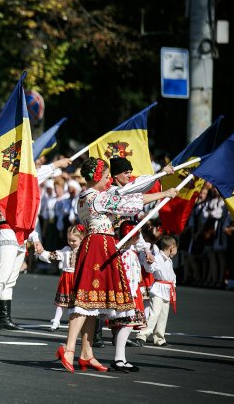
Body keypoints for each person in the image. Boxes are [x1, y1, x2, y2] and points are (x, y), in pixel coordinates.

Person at [55, 157, 176, 373]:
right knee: (85, 302)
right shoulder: (97, 198)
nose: (110, 179)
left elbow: (130, 190)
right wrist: (163, 194)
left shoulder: (85, 196)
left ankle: (86, 353)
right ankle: (69, 348)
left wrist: (160, 177)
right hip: (98, 246)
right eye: (107, 176)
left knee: (93, 304)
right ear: (97, 178)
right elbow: (131, 201)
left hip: (98, 244)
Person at [0, 157, 71, 332]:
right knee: (2, 276)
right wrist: (56, 165)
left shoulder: (23, 187)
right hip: (7, 230)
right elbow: (35, 177)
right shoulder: (7, 184)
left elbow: (28, 215)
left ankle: (3, 318)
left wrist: (35, 238)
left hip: (21, 234)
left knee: (11, 279)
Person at [111, 220, 146, 372]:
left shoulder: (127, 252)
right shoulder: (127, 254)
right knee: (126, 325)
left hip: (132, 292)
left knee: (127, 326)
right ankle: (119, 359)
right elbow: (128, 277)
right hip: (129, 293)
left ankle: (121, 358)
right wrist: (131, 295)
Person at [38, 224, 85, 332]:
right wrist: (43, 253)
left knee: (76, 303)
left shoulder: (84, 251)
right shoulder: (66, 249)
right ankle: (56, 320)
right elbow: (55, 255)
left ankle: (74, 323)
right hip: (66, 277)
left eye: (74, 241)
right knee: (61, 301)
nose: (71, 243)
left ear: (81, 238)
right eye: (69, 240)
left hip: (78, 279)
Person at [134, 235, 178, 347]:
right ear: (172, 247)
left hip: (167, 290)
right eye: (176, 248)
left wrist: (173, 284)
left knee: (163, 316)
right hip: (158, 289)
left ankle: (159, 338)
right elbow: (150, 269)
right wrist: (149, 262)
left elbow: (172, 275)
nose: (176, 251)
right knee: (154, 314)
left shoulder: (169, 260)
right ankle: (142, 336)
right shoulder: (158, 257)